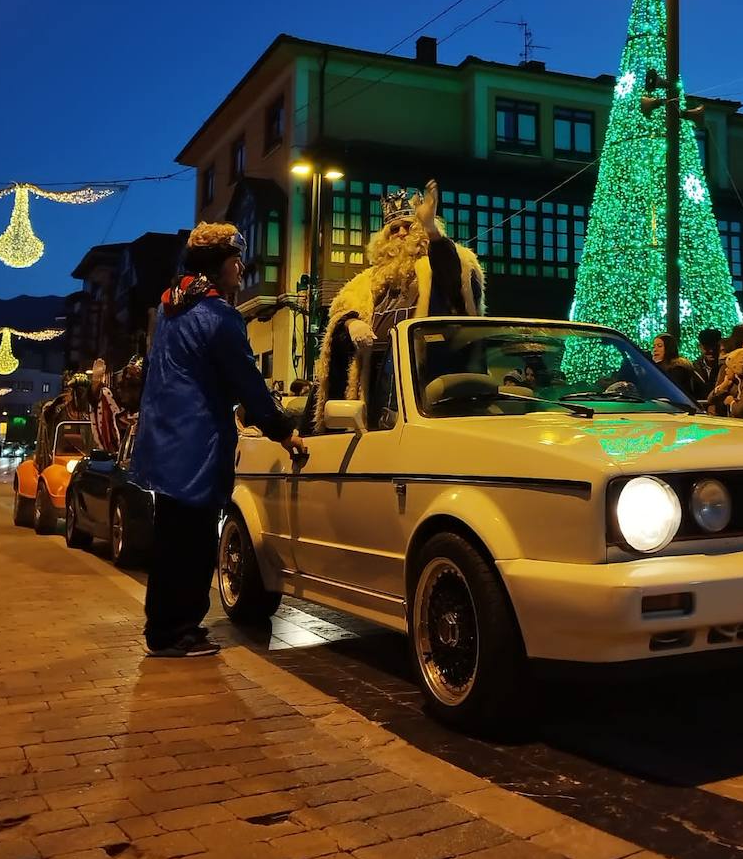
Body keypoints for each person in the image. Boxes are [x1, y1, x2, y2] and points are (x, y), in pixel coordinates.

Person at [131, 222, 307, 659]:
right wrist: (284, 430)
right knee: (192, 544)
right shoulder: (218, 316)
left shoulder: (171, 310)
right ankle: (178, 633)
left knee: (171, 539)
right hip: (198, 443)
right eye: (236, 260)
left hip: (164, 440)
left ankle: (165, 628)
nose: (242, 268)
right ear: (222, 265)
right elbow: (247, 382)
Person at [314, 180, 484, 420]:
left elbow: (453, 278)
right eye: (394, 229)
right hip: (373, 377)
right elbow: (340, 312)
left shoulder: (443, 263)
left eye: (408, 226)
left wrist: (430, 229)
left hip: (423, 377)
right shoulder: (366, 281)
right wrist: (352, 323)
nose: (402, 233)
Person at [651, 334, 701, 399]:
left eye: (659, 346)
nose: (655, 349)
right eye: (654, 347)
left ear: (668, 348)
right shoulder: (656, 368)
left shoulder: (678, 369)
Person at [694, 329, 723, 400]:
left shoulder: (725, 368)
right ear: (700, 346)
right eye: (707, 347)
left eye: (714, 346)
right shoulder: (693, 369)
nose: (711, 350)